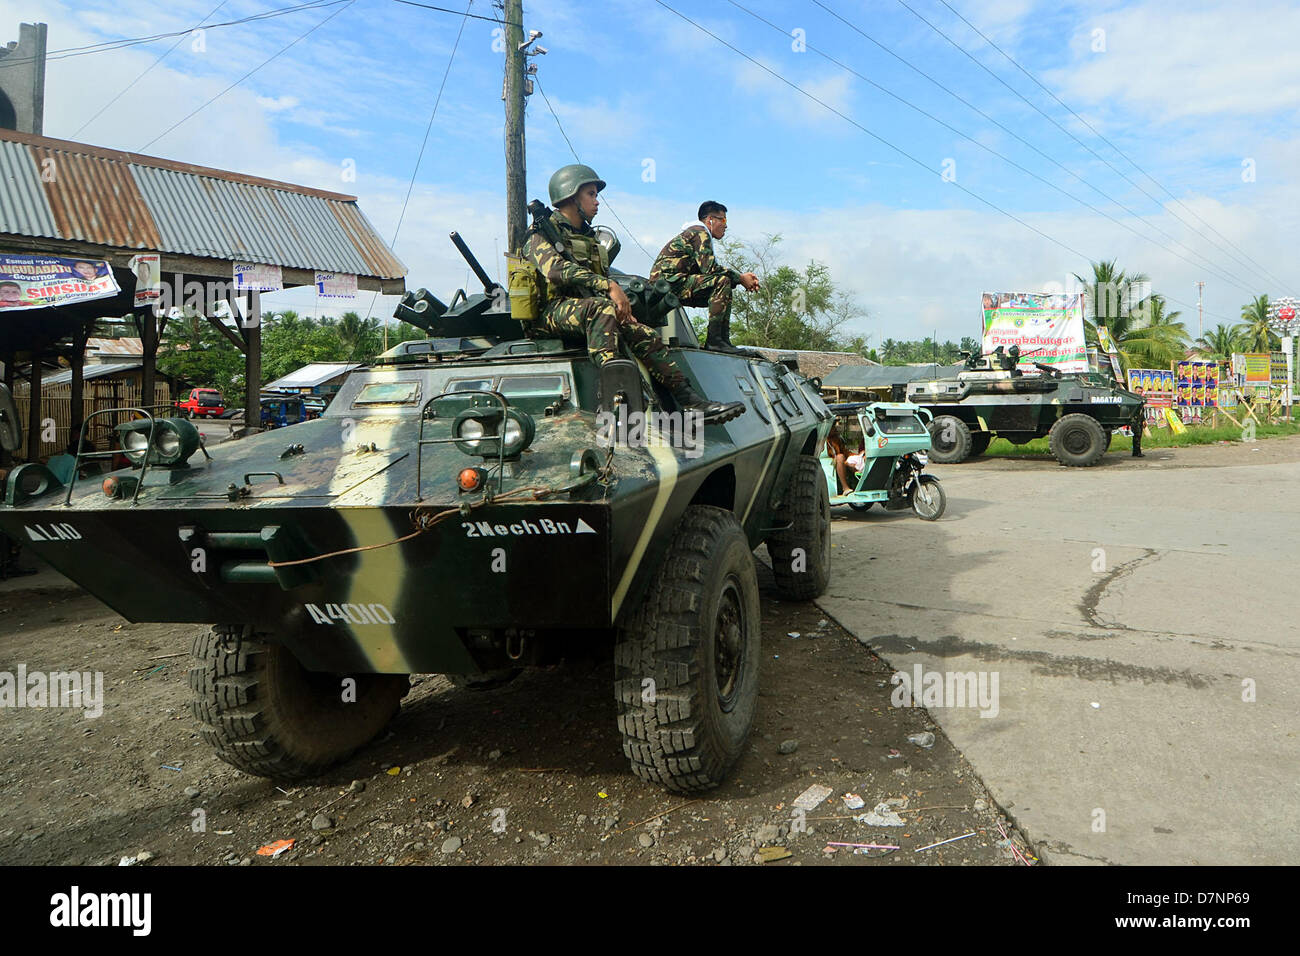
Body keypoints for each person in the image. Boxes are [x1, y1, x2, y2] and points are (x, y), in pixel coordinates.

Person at [525, 165, 744, 424]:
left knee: (644, 333)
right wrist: (609, 287)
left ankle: (689, 402)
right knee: (601, 309)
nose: (597, 202)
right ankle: (615, 401)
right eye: (592, 195)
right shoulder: (541, 234)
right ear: (572, 197)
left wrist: (624, 312)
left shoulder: (589, 238)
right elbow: (555, 271)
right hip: (549, 313)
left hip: (586, 309)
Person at [649, 201, 759, 354]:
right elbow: (711, 269)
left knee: (724, 286)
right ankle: (715, 341)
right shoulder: (700, 232)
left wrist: (739, 279)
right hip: (669, 285)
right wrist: (740, 278)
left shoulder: (696, 233)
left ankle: (723, 340)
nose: (726, 226)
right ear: (710, 220)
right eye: (723, 220)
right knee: (722, 282)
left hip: (672, 285)